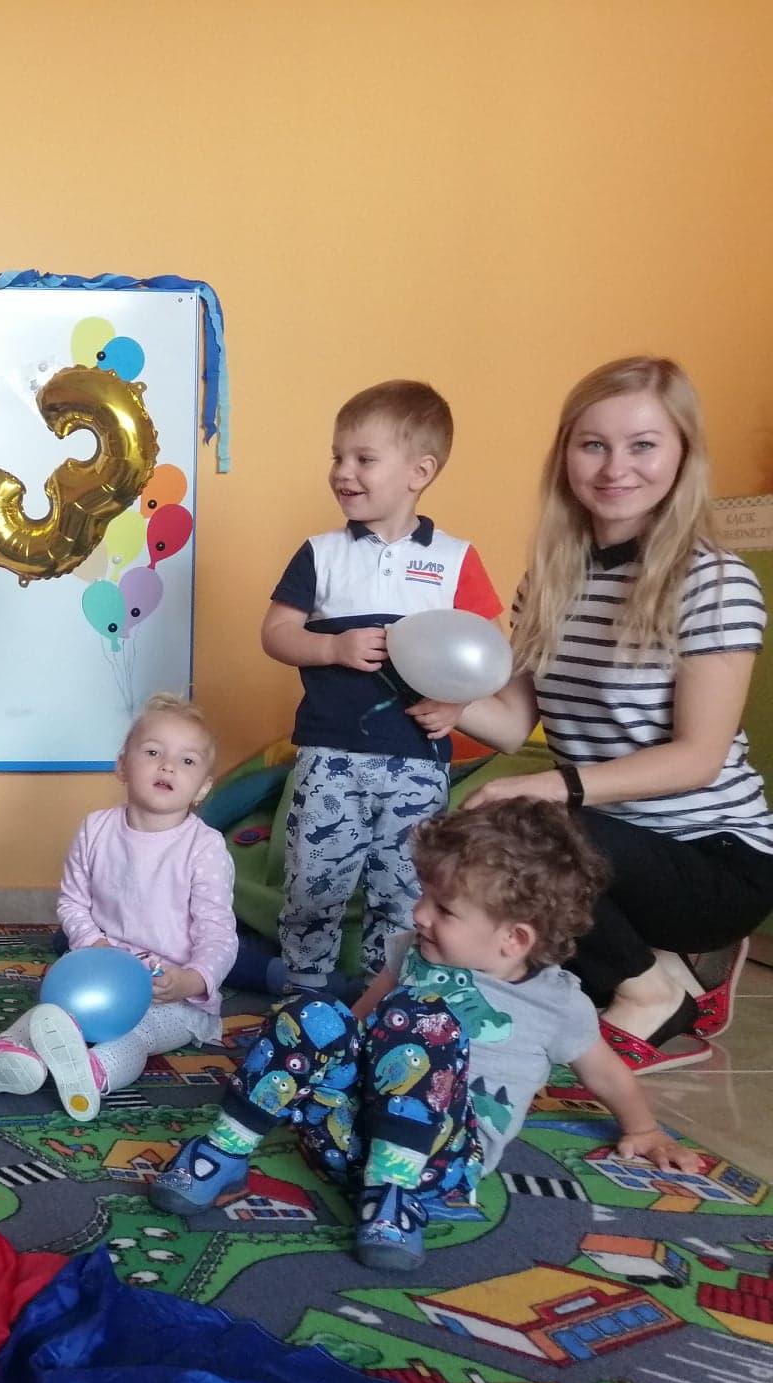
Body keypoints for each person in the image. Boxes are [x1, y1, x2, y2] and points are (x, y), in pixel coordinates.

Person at [151, 799, 701, 1271]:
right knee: (316, 1011)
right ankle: (221, 1153)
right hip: (345, 1134)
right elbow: (356, 1028)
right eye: (423, 896)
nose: (418, 914)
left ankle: (393, 1196)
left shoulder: (558, 1004)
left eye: (444, 909)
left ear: (514, 939)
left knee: (421, 1017)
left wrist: (645, 1129)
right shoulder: (411, 952)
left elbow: (606, 1074)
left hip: (439, 1165)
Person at [423, 357, 773, 1072]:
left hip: (717, 857)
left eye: (643, 445)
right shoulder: (553, 578)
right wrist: (433, 691)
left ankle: (653, 992)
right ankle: (664, 963)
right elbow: (513, 723)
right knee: (496, 868)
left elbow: (698, 757)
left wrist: (552, 788)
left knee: (530, 829)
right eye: (593, 445)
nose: (616, 468)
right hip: (602, 850)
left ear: (682, 455)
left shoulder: (716, 582)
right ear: (567, 456)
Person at [264, 380, 501, 995]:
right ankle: (303, 989)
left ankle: (385, 996)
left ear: (420, 471)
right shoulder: (320, 554)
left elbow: (488, 654)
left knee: (404, 889)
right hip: (331, 756)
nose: (343, 472)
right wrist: (331, 648)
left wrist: (456, 705)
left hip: (417, 762)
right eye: (337, 457)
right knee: (314, 881)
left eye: (363, 458)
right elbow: (276, 633)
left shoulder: (455, 559)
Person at [0, 695, 238, 1119]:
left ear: (202, 787)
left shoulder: (205, 847)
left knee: (136, 1034)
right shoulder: (96, 829)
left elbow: (218, 933)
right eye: (153, 753)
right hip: (98, 974)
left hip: (170, 997)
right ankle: (12, 1055)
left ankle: (91, 1074)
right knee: (51, 1012)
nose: (167, 766)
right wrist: (94, 944)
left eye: (186, 761)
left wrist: (191, 980)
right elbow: (73, 902)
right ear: (122, 766)